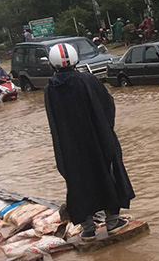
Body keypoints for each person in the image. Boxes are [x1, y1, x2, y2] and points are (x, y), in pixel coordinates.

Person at [43, 43, 134, 240]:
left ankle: (88, 228)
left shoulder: (50, 89)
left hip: (70, 149)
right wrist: (106, 130)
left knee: (78, 183)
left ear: (52, 63)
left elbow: (54, 122)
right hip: (97, 143)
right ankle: (112, 222)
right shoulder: (87, 80)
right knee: (108, 175)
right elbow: (107, 106)